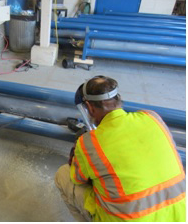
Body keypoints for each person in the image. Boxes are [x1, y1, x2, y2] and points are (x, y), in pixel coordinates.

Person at [55, 75, 185, 222]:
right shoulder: (152, 117)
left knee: (63, 174)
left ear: (90, 108)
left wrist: (79, 155)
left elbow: (78, 179)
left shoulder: (89, 143)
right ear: (118, 99)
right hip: (179, 215)